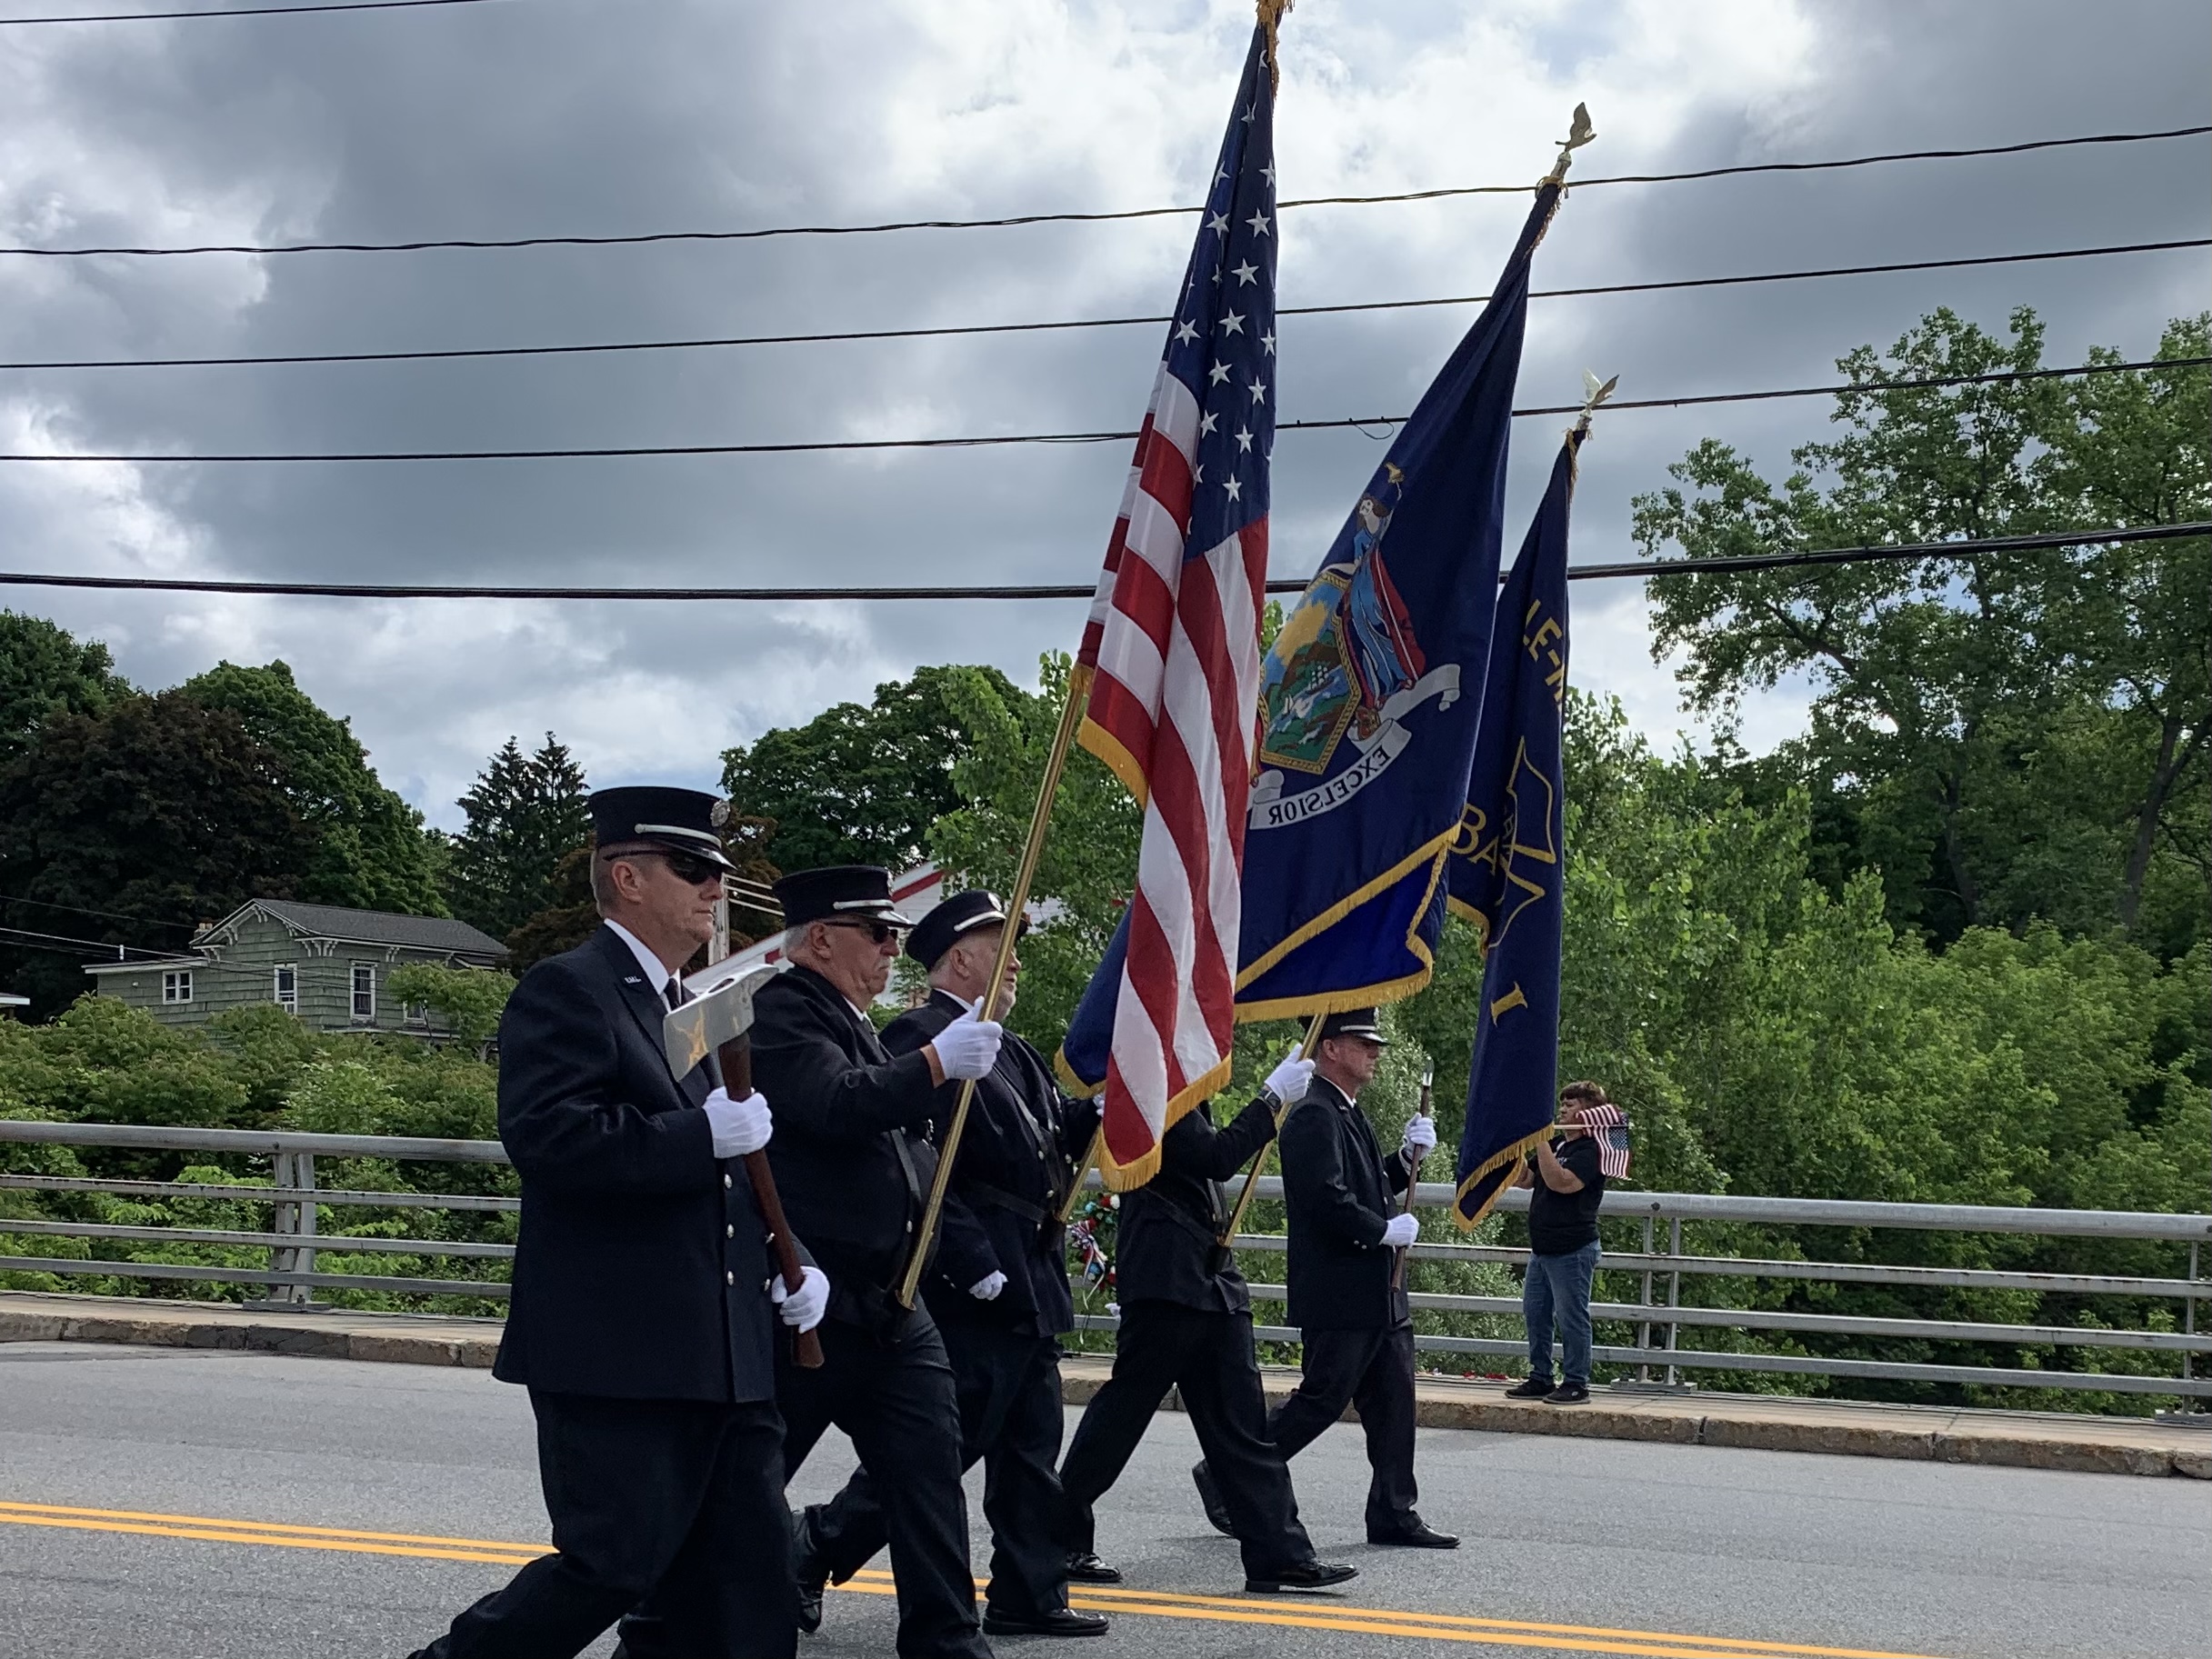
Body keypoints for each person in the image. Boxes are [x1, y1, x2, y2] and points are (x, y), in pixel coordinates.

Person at [406, 786, 828, 1659]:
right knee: (610, 1564)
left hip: (721, 1349)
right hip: (620, 1347)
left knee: (749, 1581)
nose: (717, 887)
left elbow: (733, 1177)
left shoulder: (691, 1004)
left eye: (718, 871)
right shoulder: (569, 989)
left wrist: (796, 1264)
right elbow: (552, 1140)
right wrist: (696, 1132)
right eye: (694, 869)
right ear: (627, 876)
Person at [796, 891, 1108, 1640]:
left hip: (1028, 1268)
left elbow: (1048, 1134)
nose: (1017, 963)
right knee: (939, 1452)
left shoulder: (1009, 1044)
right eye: (1003, 946)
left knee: (1031, 1444)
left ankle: (1028, 1589)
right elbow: (924, 1163)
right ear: (963, 957)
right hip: (970, 1277)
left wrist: (1104, 1103)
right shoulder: (921, 1033)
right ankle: (811, 1548)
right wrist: (969, 1260)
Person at [749, 865, 1001, 1659]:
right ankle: (681, 1617)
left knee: (929, 1478)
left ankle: (948, 1642)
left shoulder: (852, 1016)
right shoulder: (782, 1010)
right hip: (815, 1298)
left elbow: (900, 1141)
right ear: (820, 938)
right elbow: (836, 1102)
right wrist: (931, 1062)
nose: (894, 949)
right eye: (879, 934)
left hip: (892, 1296)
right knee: (741, 1484)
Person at [1053, 1058, 1358, 1596]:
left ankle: (1278, 1554)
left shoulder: (1184, 1083)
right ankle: (1056, 1535)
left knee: (1241, 1426)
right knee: (1122, 1415)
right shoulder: (1158, 1080)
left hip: (1209, 1277)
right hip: (1168, 1277)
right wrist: (1269, 1101)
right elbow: (1213, 1158)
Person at [1236, 1008, 1456, 1549]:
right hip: (1342, 1288)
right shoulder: (1313, 1112)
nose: (1374, 1051)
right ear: (1330, 1047)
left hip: (1378, 1291)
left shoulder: (1344, 1109)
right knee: (1322, 1399)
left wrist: (1404, 1159)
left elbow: (1369, 1181)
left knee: (1394, 1403)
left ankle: (1394, 1511)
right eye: (1364, 1042)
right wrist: (1383, 1230)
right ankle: (1231, 1473)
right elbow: (1325, 1199)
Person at [1506, 1081, 1613, 1405]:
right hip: (1543, 1248)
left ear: (1589, 1112)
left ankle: (1577, 1381)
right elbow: (1529, 1180)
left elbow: (1560, 1182)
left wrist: (1539, 1142)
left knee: (1571, 1317)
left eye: (1571, 1105)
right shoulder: (1557, 1144)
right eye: (1562, 1103)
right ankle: (1541, 1376)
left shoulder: (1592, 1150)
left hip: (1573, 1248)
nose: (1563, 1110)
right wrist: (1510, 1156)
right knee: (1535, 1313)